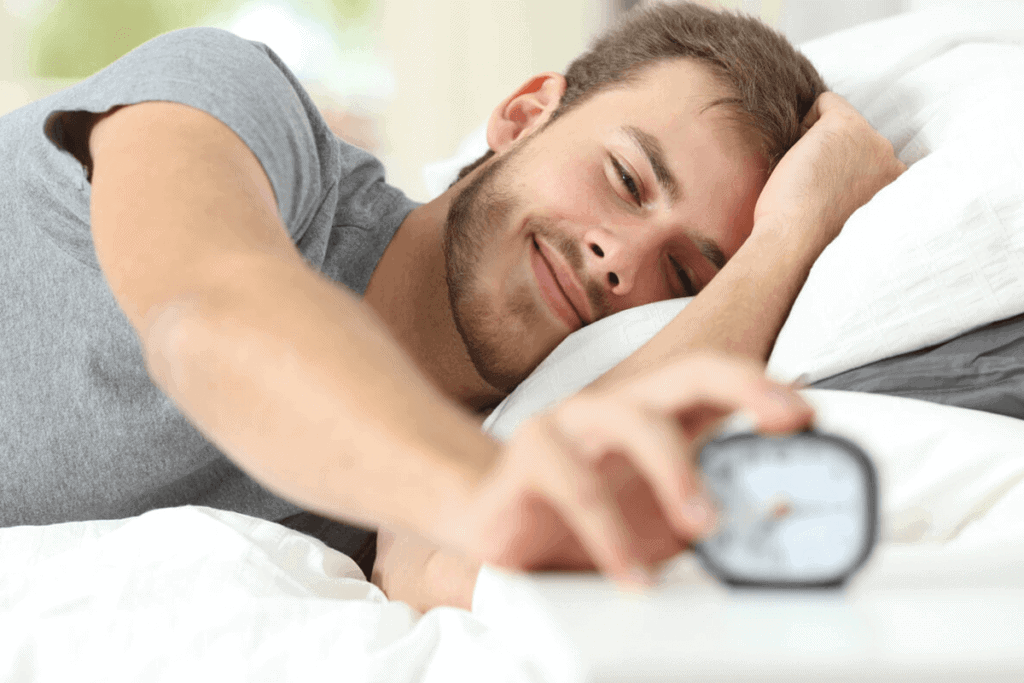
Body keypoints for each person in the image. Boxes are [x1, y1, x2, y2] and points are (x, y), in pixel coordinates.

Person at [0, 1, 903, 612]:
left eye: (684, 274)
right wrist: (479, 488)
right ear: (522, 116)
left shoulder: (461, 456)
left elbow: (456, 564)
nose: (620, 261)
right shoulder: (240, 102)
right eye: (625, 179)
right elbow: (206, 313)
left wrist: (793, 238)